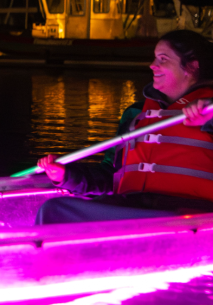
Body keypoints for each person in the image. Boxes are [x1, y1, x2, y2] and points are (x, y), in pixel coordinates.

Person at [36, 30, 213, 224]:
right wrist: (66, 175)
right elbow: (111, 177)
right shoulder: (135, 115)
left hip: (189, 215)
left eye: (163, 59)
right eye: (154, 58)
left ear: (192, 67)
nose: (153, 65)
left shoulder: (209, 111)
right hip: (132, 207)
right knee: (55, 210)